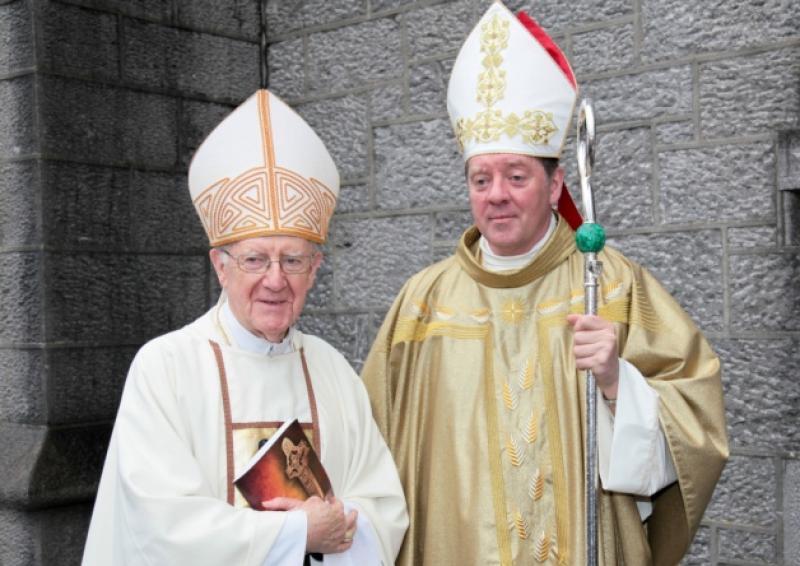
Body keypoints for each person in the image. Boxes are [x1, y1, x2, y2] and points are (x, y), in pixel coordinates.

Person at [360, 3, 727, 565]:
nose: (496, 194)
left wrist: (617, 385)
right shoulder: (422, 303)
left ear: (556, 183)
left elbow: (697, 423)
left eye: (516, 176)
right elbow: (367, 450)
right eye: (481, 178)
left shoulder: (612, 286)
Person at [82, 89, 408, 566]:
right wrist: (297, 531)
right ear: (221, 265)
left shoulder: (332, 371)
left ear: (315, 269)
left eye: (292, 259)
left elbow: (383, 508)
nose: (275, 280)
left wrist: (341, 525)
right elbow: (160, 527)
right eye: (255, 258)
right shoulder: (166, 367)